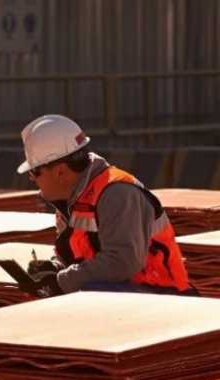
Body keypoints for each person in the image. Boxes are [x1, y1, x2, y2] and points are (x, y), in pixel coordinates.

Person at [17, 114, 196, 297]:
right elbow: (76, 257)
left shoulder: (116, 193)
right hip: (128, 295)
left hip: (165, 299)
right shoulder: (69, 200)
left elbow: (122, 262)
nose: (31, 179)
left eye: (34, 172)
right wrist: (53, 268)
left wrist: (62, 281)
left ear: (61, 172)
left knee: (84, 294)